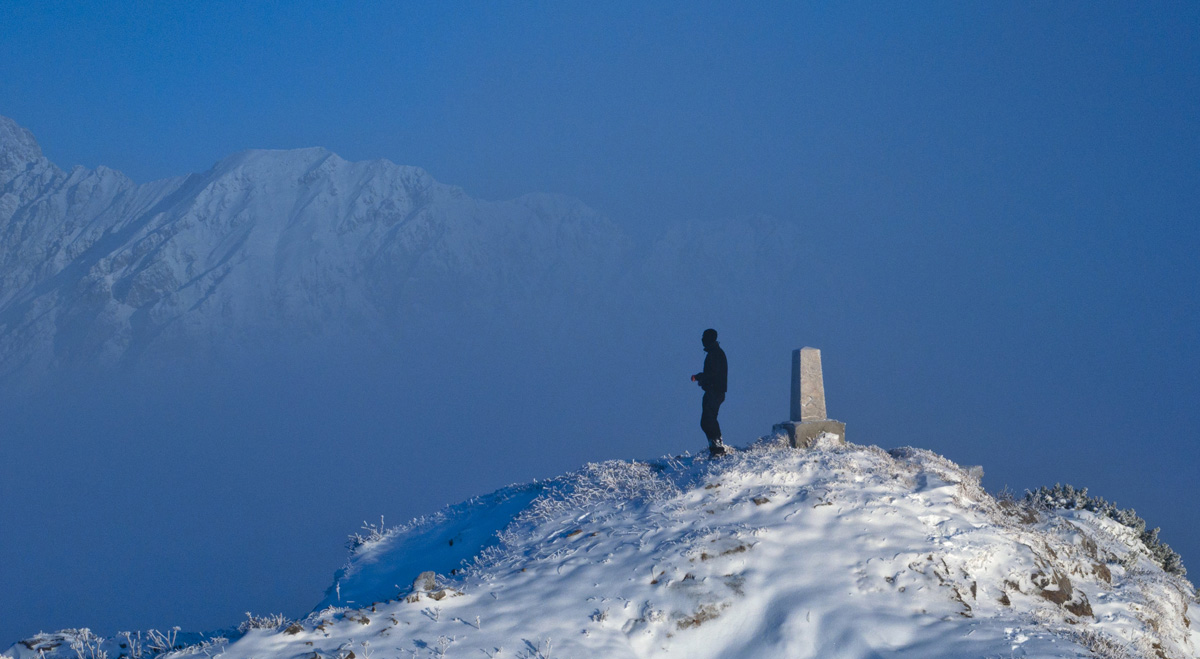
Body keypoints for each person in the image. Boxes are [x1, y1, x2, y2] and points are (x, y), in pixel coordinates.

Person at [691, 328, 728, 456]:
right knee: (707, 420)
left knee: (708, 420)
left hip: (715, 392)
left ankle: (718, 449)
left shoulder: (716, 354)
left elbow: (713, 374)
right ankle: (715, 448)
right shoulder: (714, 353)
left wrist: (700, 377)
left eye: (704, 337)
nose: (702, 340)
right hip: (713, 391)